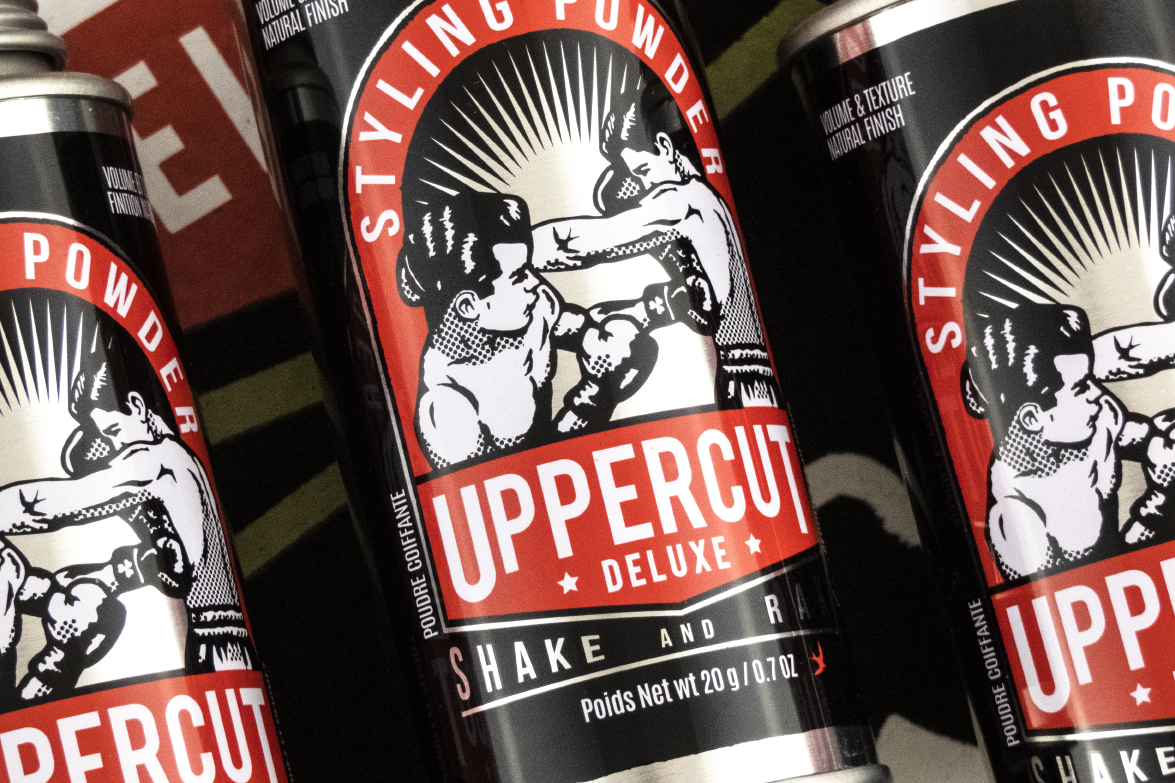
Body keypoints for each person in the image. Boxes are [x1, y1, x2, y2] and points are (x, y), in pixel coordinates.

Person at [0, 344, 253, 703]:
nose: (112, 446)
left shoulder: (159, 462)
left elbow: (50, 506)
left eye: (111, 430)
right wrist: (105, 575)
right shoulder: (183, 466)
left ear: (135, 407)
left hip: (217, 645)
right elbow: (165, 561)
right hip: (226, 644)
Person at [530, 79, 778, 409]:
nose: (645, 184)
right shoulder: (706, 202)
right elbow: (694, 300)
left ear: (663, 146)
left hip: (744, 379)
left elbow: (583, 244)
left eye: (643, 169)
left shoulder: (685, 202)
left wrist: (510, 246)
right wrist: (634, 310)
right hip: (750, 376)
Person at [398, 192, 661, 468]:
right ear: (468, 306)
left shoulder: (534, 303)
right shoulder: (445, 410)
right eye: (519, 275)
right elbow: (526, 482)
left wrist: (603, 343)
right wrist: (593, 396)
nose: (535, 282)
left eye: (528, 268)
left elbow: (575, 327)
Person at [960, 303, 1175, 581]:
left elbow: (1143, 436)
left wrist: (1161, 444)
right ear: (1032, 418)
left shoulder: (1097, 415)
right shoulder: (1016, 523)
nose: (1099, 394)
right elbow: (1098, 591)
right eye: (1082, 387)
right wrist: (1158, 502)